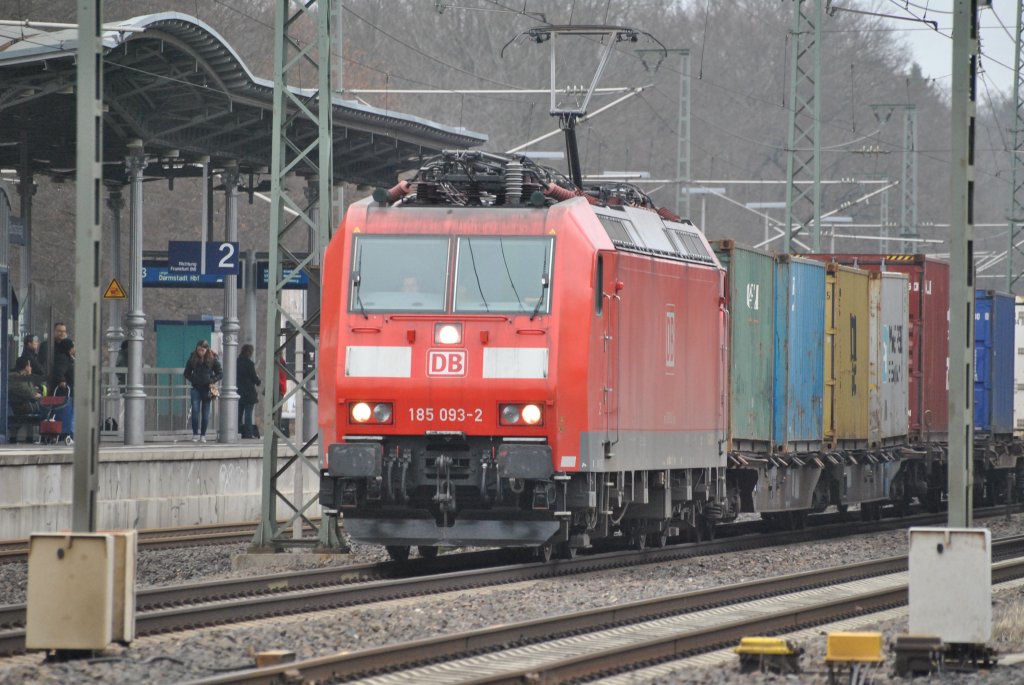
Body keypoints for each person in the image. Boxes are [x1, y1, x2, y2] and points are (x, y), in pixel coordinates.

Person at [184, 339, 223, 443]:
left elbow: (220, 373)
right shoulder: (192, 358)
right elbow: (186, 373)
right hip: (196, 388)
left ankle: (203, 435)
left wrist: (212, 380)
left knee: (205, 413)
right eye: (199, 349)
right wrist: (194, 379)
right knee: (195, 412)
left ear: (206, 349)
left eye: (202, 350)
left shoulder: (212, 359)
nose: (200, 352)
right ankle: (195, 433)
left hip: (207, 389)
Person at [49, 338, 75, 443]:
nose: (74, 348)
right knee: (66, 412)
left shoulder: (68, 357)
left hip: (68, 389)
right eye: (73, 346)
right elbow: (60, 370)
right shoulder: (63, 358)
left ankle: (67, 433)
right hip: (64, 392)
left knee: (68, 413)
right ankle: (65, 433)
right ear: (69, 348)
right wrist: (61, 380)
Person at [236, 344, 261, 439]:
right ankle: (248, 433)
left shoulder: (236, 363)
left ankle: (237, 432)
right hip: (249, 393)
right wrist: (258, 381)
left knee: (238, 413)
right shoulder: (250, 364)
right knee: (248, 414)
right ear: (250, 353)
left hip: (238, 392)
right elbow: (254, 378)